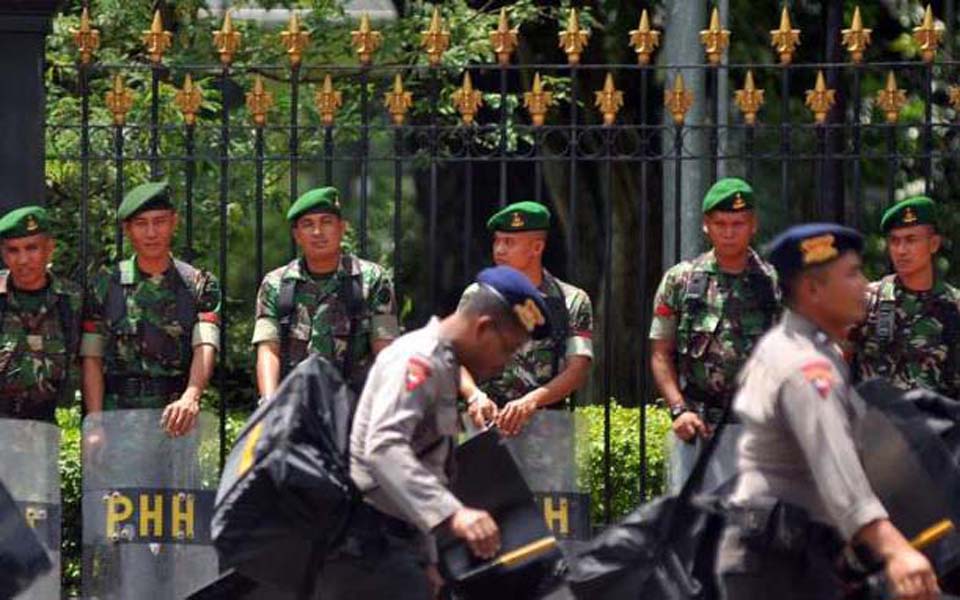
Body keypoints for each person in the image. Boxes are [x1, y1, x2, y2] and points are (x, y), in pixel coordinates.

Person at [717, 223, 940, 600]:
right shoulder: (805, 367)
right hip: (777, 562)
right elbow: (835, 467)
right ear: (813, 290)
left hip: (792, 551)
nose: (865, 285)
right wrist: (895, 549)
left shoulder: (807, 349)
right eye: (852, 274)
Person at [320, 266, 551, 600]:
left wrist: (428, 559)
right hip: (365, 544)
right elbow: (383, 448)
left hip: (395, 542)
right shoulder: (420, 361)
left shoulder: (445, 366)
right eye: (507, 349)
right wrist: (453, 513)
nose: (505, 363)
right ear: (483, 328)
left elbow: (426, 465)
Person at [649, 177, 780, 492]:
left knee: (754, 526)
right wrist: (678, 409)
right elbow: (660, 353)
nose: (729, 231)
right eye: (720, 223)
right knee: (692, 526)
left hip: (756, 428)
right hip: (698, 425)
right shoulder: (681, 281)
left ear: (753, 225)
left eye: (738, 222)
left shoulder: (775, 284)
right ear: (706, 226)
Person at [80, 180, 220, 437]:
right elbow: (92, 357)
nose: (151, 232)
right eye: (141, 224)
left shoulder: (197, 284)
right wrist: (96, 421)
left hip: (177, 417)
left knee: (176, 480)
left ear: (174, 222)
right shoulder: (105, 284)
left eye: (160, 221)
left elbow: (205, 346)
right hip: (117, 419)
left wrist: (191, 396)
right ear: (127, 229)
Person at [458, 201, 592, 436]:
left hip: (547, 432)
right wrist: (474, 395)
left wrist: (532, 401)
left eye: (509, 242)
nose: (499, 250)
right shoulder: (477, 296)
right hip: (486, 428)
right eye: (497, 241)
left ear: (537, 247)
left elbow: (578, 369)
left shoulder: (570, 300)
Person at [252, 186, 398, 399]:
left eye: (326, 222)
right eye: (307, 224)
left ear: (342, 228)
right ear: (297, 235)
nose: (317, 232)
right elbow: (268, 349)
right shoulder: (276, 284)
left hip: (354, 404)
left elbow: (385, 349)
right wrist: (269, 405)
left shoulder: (372, 278)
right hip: (294, 406)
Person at [852, 196, 960, 400]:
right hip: (881, 425)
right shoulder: (868, 301)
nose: (901, 250)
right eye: (894, 241)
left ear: (934, 244)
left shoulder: (954, 306)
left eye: (911, 240)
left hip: (940, 425)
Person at [0, 205, 81, 422]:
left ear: (49, 248)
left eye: (31, 248)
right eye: (13, 250)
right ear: (3, 254)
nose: (23, 259)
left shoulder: (72, 300)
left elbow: (91, 362)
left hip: (44, 426)